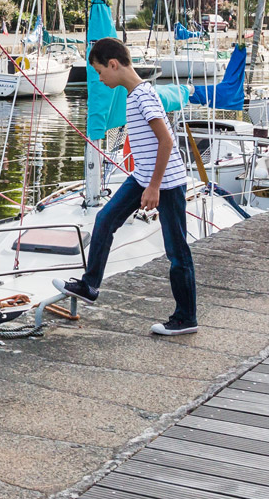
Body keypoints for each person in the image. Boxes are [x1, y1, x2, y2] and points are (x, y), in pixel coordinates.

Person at [55, 36, 199, 336]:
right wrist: (147, 182)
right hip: (144, 176)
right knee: (105, 219)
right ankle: (90, 285)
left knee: (177, 251)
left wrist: (154, 188)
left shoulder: (143, 96)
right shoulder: (134, 94)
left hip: (166, 182)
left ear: (113, 64)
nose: (99, 78)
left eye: (99, 71)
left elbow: (166, 141)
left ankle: (186, 319)